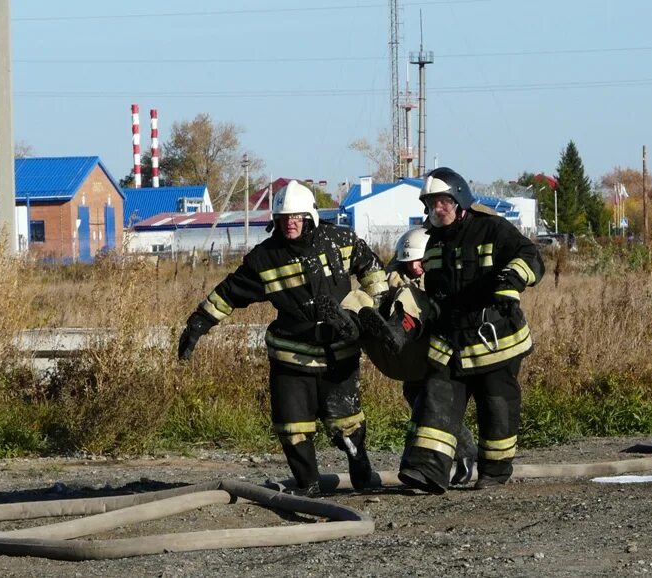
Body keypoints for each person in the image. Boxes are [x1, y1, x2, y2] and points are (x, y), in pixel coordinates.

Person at [178, 179, 388, 497]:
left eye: (296, 217)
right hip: (291, 356)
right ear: (275, 220)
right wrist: (198, 324)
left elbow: (371, 268)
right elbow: (229, 293)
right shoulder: (265, 258)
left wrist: (377, 307)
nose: (290, 223)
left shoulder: (340, 240)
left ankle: (360, 468)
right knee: (292, 425)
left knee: (346, 422)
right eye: (284, 217)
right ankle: (308, 484)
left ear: (309, 216)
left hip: (338, 350)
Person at [398, 167, 545, 494]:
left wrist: (512, 280)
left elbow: (530, 256)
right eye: (432, 204)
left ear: (460, 200)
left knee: (497, 407)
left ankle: (494, 472)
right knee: (436, 402)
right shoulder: (431, 241)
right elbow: (424, 284)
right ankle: (427, 470)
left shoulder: (492, 228)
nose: (438, 209)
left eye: (443, 202)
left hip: (495, 341)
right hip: (451, 343)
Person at [323, 226, 476, 485]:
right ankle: (349, 322)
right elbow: (382, 286)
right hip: (398, 356)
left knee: (430, 408)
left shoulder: (442, 281)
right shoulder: (392, 279)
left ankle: (465, 454)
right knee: (360, 296)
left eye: (420, 261)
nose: (415, 267)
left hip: (423, 351)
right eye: (409, 262)